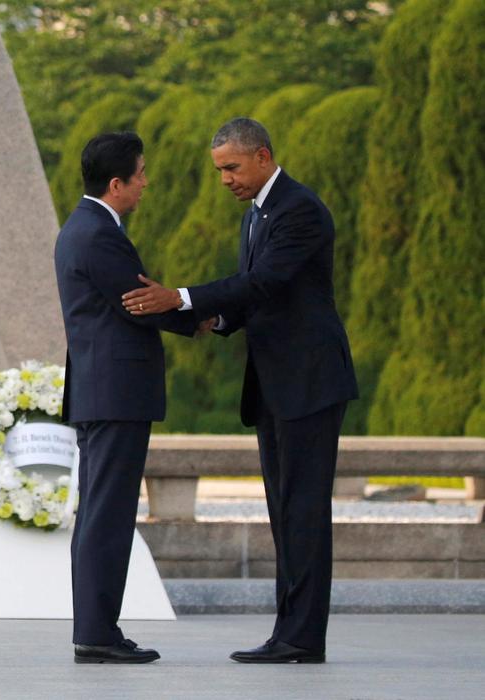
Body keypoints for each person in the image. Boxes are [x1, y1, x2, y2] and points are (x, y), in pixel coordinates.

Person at [121, 117, 358, 664]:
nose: (225, 179)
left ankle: (301, 638)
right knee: (284, 508)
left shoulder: (299, 208)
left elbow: (264, 282)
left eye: (231, 167)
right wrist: (217, 321)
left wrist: (180, 298)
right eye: (219, 170)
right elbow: (257, 298)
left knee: (302, 510)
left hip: (310, 381)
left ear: (263, 157)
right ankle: (288, 634)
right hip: (277, 383)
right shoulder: (256, 216)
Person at [54, 131, 201, 664]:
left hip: (100, 392)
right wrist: (205, 312)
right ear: (116, 184)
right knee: (107, 516)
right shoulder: (98, 234)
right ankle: (96, 633)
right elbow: (141, 302)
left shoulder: (83, 226)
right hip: (116, 394)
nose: (145, 183)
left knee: (100, 513)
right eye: (139, 175)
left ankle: (96, 629)